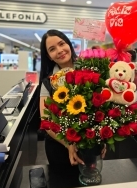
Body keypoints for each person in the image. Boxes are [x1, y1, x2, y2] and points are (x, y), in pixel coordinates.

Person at [39, 30, 106, 174]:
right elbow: (46, 119)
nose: (59, 50)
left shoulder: (90, 70)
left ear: (68, 44)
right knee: (62, 186)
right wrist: (68, 144)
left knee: (90, 182)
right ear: (49, 56)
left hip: (89, 142)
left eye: (61, 44)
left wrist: (102, 137)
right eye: (52, 49)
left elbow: (103, 106)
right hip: (59, 146)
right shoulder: (48, 83)